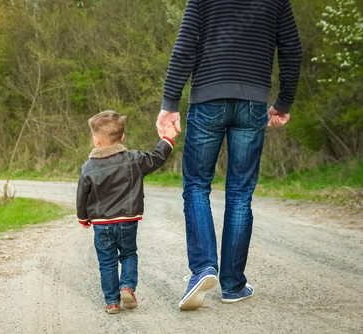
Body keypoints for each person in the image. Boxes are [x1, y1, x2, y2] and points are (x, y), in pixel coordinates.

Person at [156, 0, 302, 310]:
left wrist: (170, 102)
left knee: (196, 184)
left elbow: (185, 47)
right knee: (240, 193)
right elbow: (291, 49)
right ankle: (233, 285)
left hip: (208, 97)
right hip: (253, 103)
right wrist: (284, 101)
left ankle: (204, 269)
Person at [77, 110, 177, 314]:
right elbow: (157, 158)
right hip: (128, 220)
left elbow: (82, 195)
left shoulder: (88, 167)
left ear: (96, 140)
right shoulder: (134, 159)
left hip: (101, 224)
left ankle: (112, 302)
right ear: (122, 137)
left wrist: (83, 217)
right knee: (129, 254)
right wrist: (167, 138)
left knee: (107, 261)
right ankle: (127, 287)